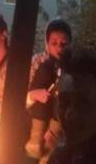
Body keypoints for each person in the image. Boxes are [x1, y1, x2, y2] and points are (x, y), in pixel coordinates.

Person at [25, 19, 72, 161]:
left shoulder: (74, 66)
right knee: (45, 69)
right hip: (36, 114)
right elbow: (19, 97)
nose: (59, 48)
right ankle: (36, 138)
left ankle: (50, 148)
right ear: (47, 44)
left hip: (59, 121)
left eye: (63, 44)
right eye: (54, 43)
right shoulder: (38, 62)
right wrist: (33, 95)